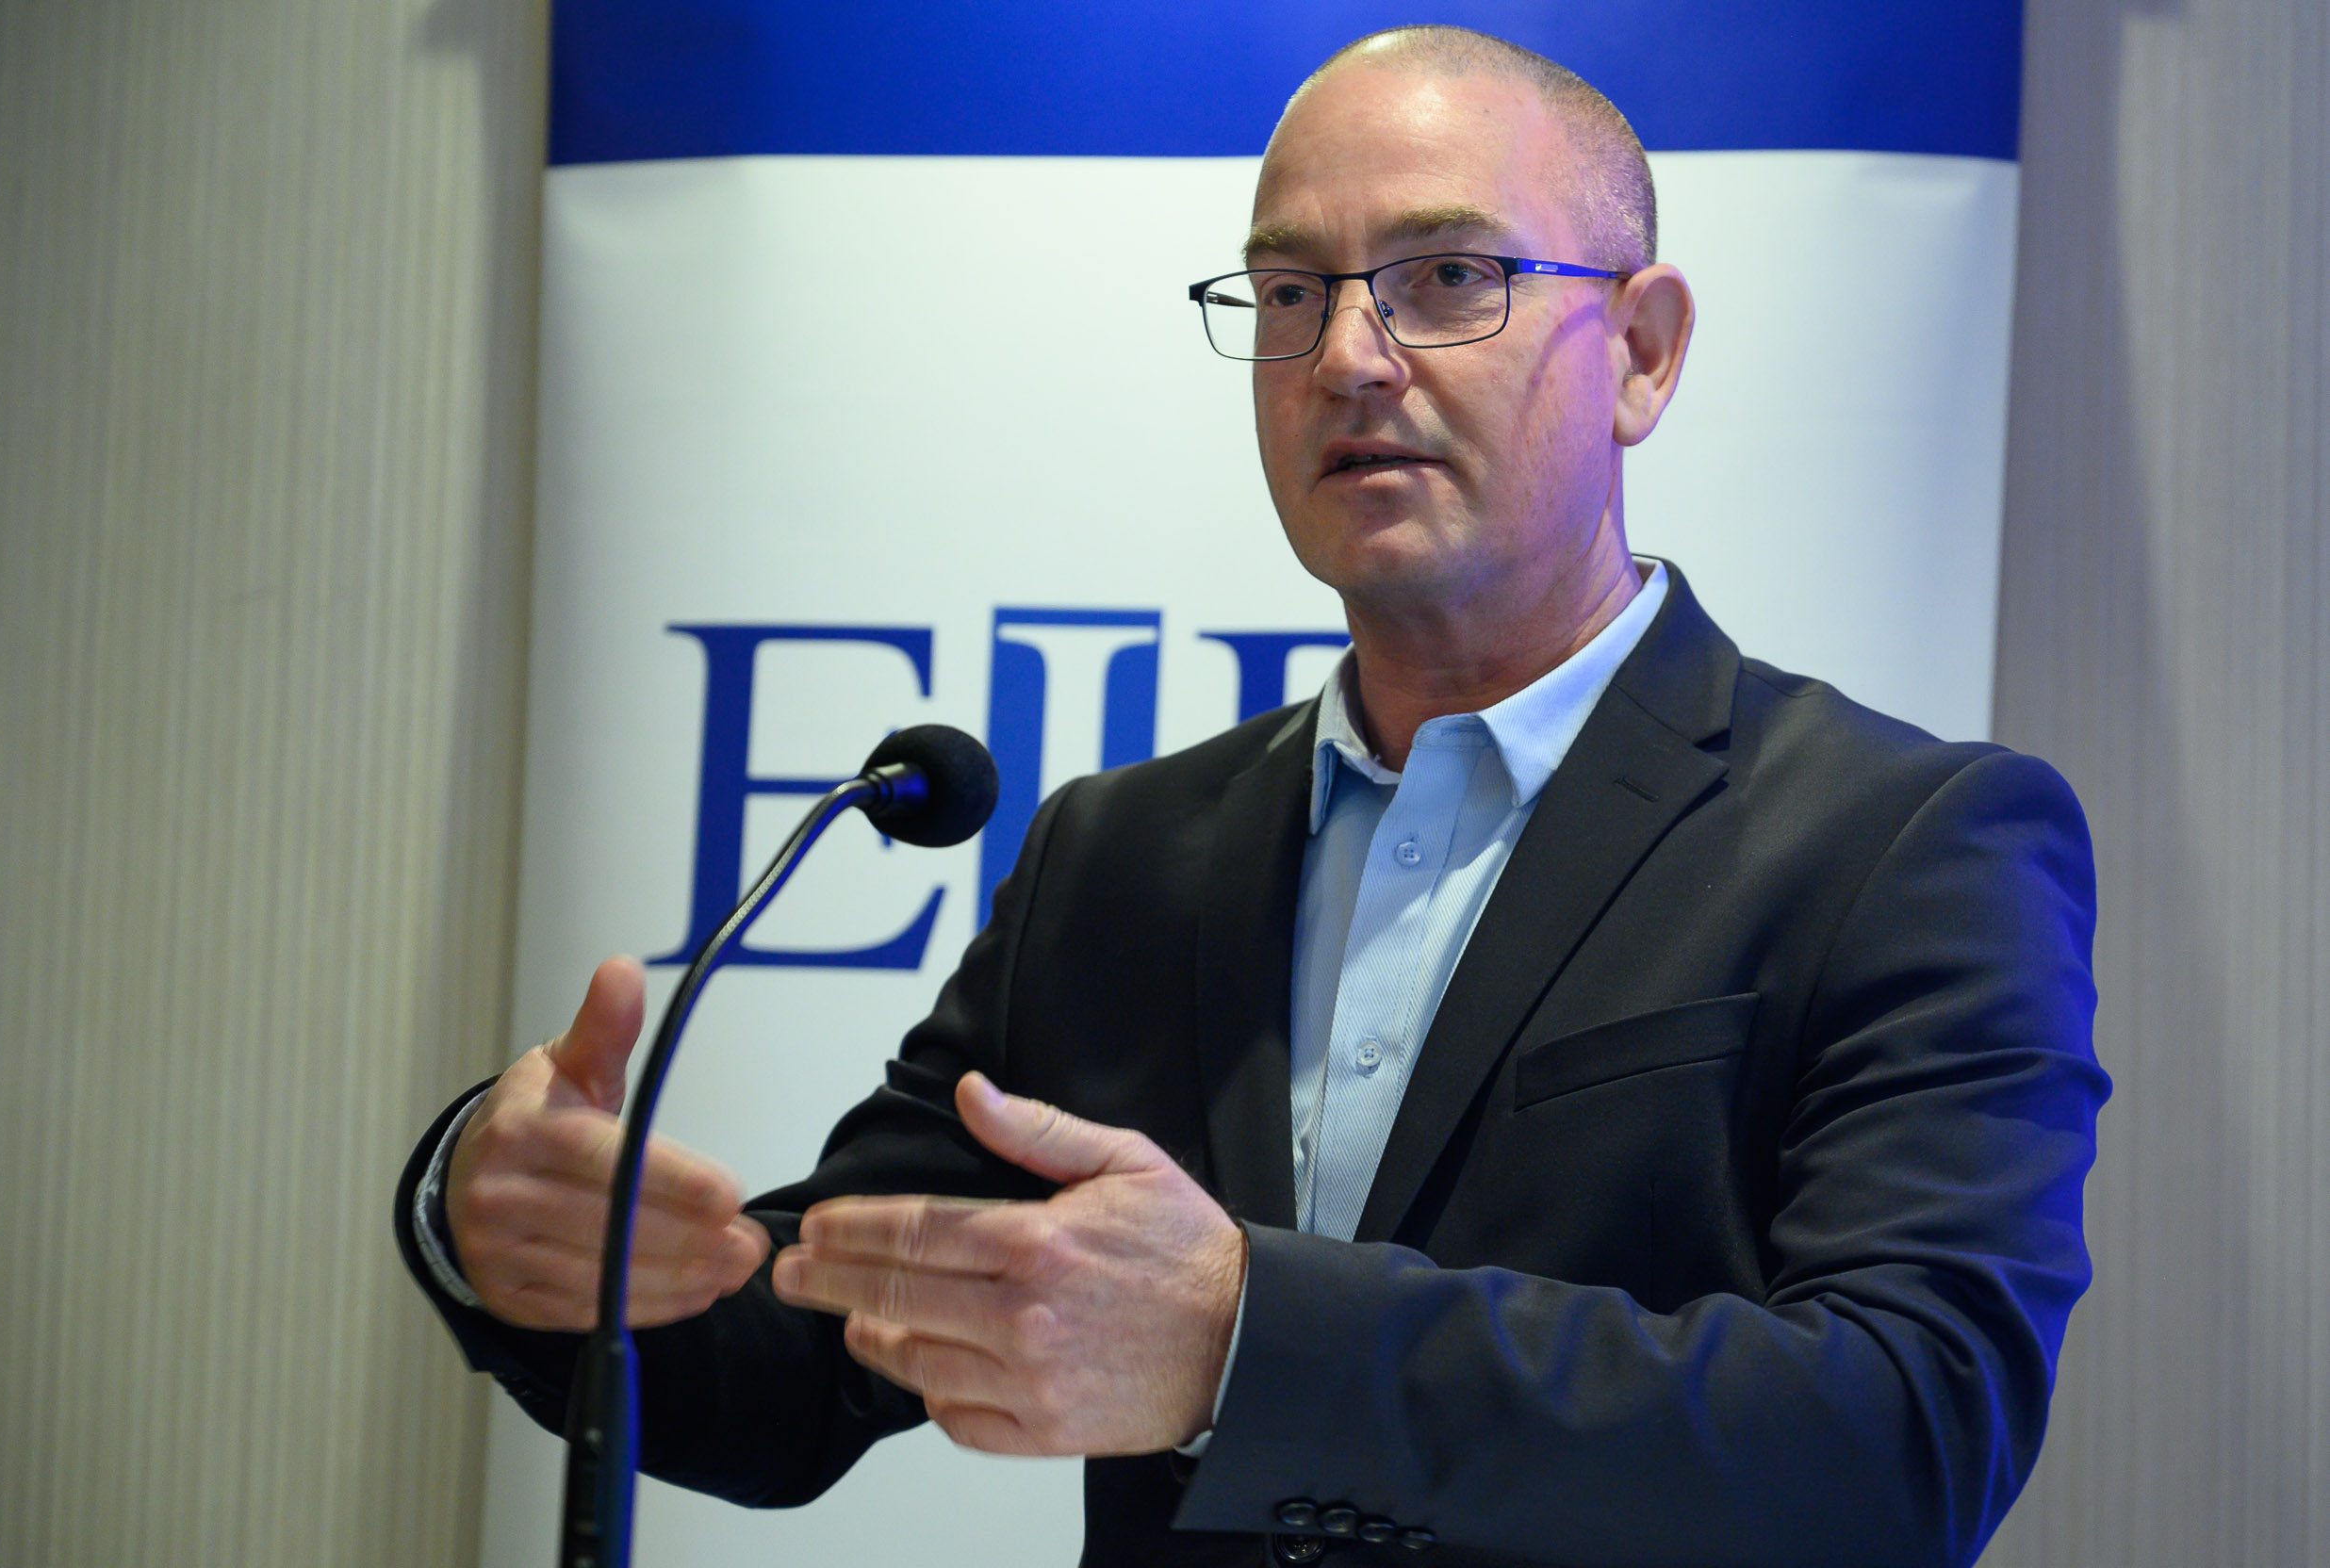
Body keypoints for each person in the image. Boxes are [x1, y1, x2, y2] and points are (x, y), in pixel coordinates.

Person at [395, 25, 2107, 1568]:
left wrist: (1243, 1345)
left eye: (1448, 277)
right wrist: (508, 1228)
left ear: (1642, 353)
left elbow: (1907, 1437)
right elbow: (809, 1357)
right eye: (1291, 293)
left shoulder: (1904, 844)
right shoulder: (1124, 858)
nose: (1350, 354)